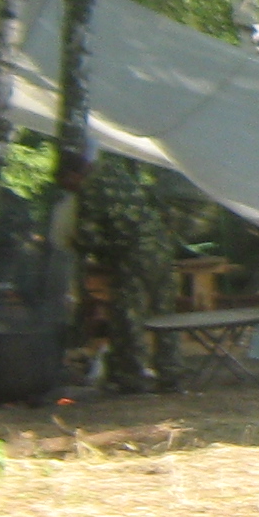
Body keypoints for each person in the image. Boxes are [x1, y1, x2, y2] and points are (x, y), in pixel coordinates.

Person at [75, 150, 179, 393]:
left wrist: (84, 247)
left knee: (128, 316)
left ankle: (132, 377)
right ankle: (171, 372)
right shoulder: (120, 173)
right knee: (165, 313)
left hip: (133, 255)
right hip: (161, 248)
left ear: (75, 174)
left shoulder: (90, 188)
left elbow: (86, 237)